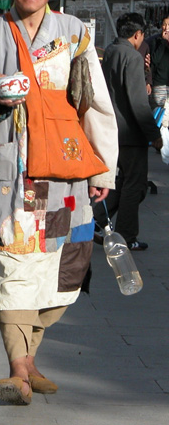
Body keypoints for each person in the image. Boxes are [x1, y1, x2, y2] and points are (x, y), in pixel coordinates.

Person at [0, 0, 118, 406]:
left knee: (66, 272)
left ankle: (28, 355)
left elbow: (95, 103)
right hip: (13, 176)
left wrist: (106, 168)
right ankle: (18, 371)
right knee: (13, 267)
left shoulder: (74, 32)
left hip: (66, 176)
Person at [93, 13, 162, 250]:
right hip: (131, 134)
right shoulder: (131, 56)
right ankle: (126, 236)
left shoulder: (109, 51)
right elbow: (138, 102)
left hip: (110, 131)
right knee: (135, 185)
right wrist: (154, 135)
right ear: (137, 34)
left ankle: (97, 220)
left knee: (120, 183)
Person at [148, 15, 169, 108]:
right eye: (164, 24)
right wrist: (163, 42)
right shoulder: (156, 41)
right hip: (160, 83)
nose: (166, 28)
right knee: (161, 110)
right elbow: (155, 60)